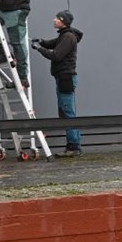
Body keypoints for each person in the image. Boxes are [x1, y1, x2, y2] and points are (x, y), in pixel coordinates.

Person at [31, 10, 83, 157]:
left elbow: (56, 55)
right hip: (62, 77)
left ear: (63, 21)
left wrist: (39, 48)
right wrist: (41, 41)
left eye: (57, 18)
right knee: (65, 111)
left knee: (67, 112)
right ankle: (72, 146)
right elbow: (51, 43)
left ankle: (74, 147)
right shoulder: (64, 35)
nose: (54, 20)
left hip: (66, 78)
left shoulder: (68, 37)